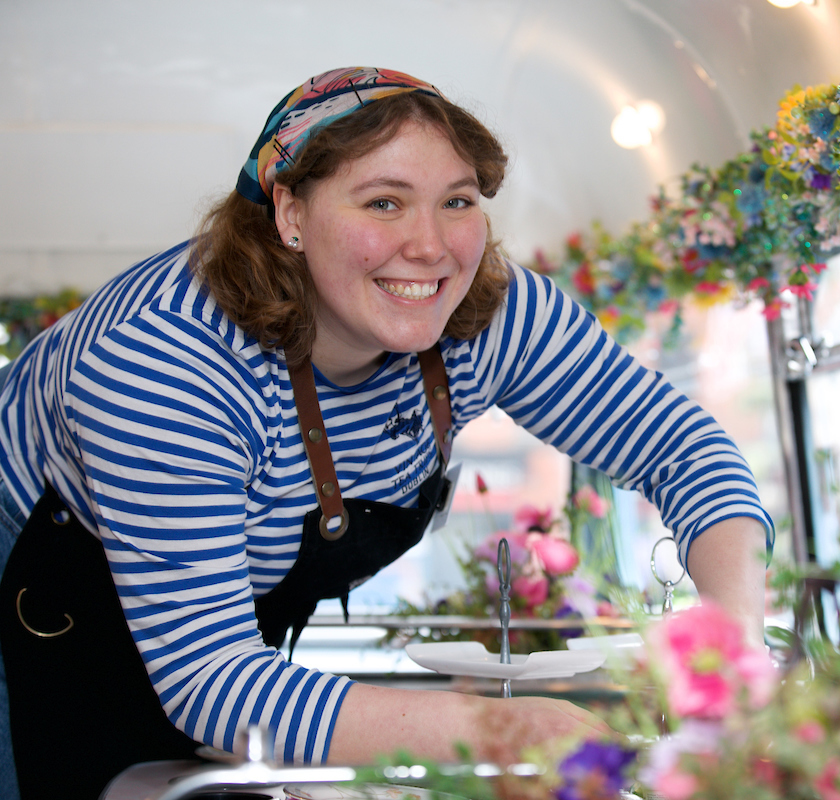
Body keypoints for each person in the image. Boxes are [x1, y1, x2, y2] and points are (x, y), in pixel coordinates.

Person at [0, 66, 772, 799]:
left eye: (457, 200)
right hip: (36, 615)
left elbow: (685, 451)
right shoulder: (165, 359)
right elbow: (214, 682)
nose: (431, 247)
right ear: (290, 213)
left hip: (212, 648)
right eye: (383, 203)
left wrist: (732, 653)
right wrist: (503, 731)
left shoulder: (494, 312)